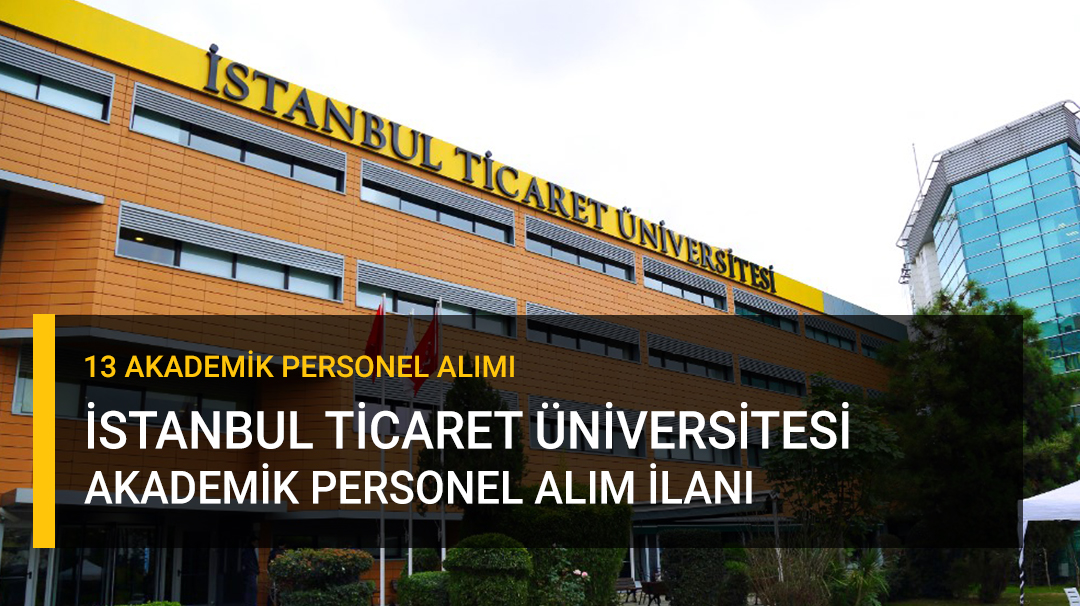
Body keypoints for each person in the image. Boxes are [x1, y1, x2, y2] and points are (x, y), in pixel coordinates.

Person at [241, 535, 259, 606]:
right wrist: (255, 569)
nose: (257, 544)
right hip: (251, 573)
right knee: (252, 590)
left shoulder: (250, 550)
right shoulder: (249, 550)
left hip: (250, 572)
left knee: (250, 590)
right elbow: (248, 562)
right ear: (253, 542)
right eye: (256, 542)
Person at [267, 540, 286, 606]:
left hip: (273, 575)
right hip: (281, 576)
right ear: (284, 545)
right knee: (280, 592)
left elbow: (268, 565)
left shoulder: (272, 552)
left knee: (273, 592)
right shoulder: (283, 553)